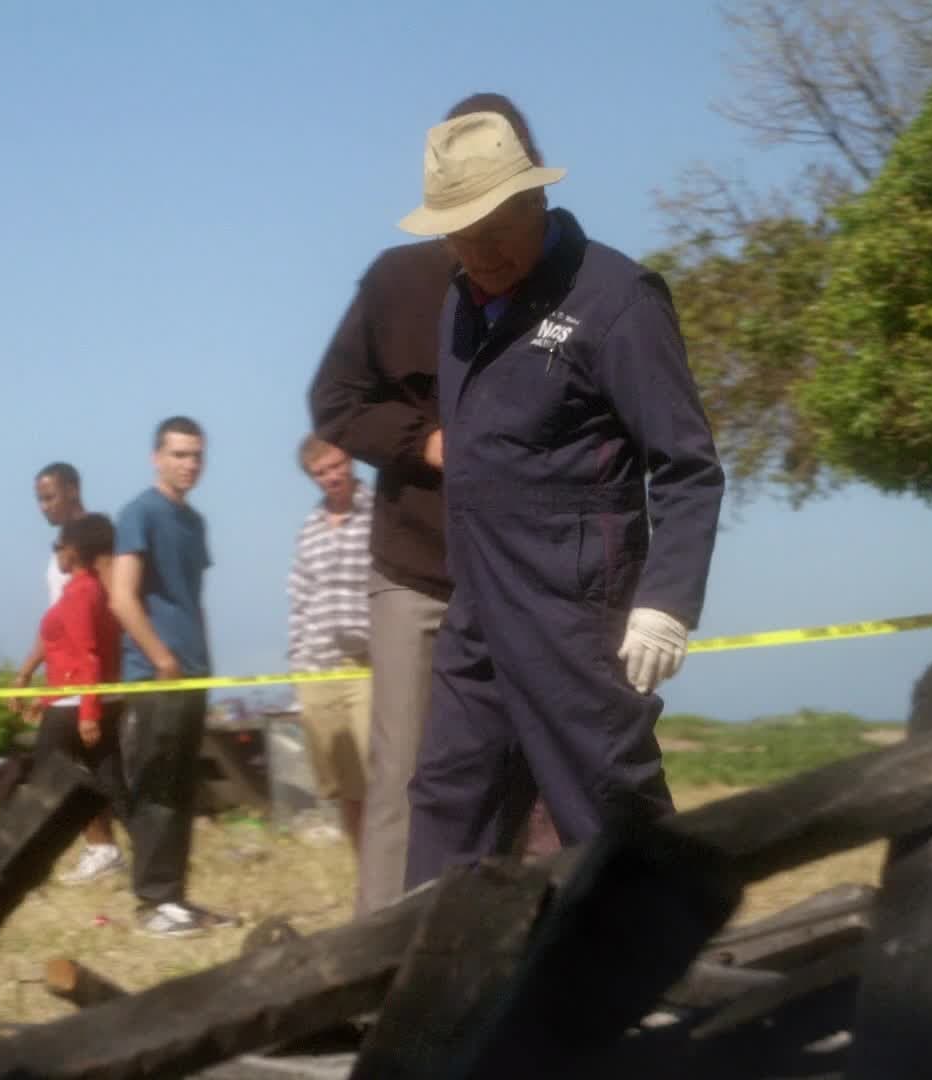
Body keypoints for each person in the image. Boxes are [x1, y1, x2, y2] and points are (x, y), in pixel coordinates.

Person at [395, 110, 726, 891]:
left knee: (606, 806)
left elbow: (687, 464)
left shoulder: (617, 300)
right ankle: (436, 966)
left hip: (574, 610)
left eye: (492, 230)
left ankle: (665, 955)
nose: (479, 253)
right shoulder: (459, 305)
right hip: (478, 603)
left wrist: (666, 602)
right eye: (459, 237)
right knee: (450, 801)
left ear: (534, 201)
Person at [308, 92, 559, 916]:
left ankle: (495, 951)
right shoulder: (397, 281)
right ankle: (377, 963)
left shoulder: (584, 291)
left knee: (521, 775)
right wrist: (428, 443)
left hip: (531, 578)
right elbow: (334, 401)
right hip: (418, 569)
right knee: (404, 780)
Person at [108, 417, 238, 937]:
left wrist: (200, 659)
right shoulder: (138, 513)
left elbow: (191, 598)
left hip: (192, 673)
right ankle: (152, 903)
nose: (190, 464)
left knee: (182, 790)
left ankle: (175, 899)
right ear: (156, 457)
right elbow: (122, 597)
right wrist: (161, 657)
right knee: (156, 788)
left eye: (196, 455)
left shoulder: (194, 522)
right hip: (154, 675)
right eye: (180, 454)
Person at [286, 435, 374, 851]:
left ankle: (397, 870)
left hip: (368, 663)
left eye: (337, 466)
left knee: (382, 774)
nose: (332, 476)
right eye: (321, 472)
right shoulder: (309, 527)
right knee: (345, 785)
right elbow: (300, 598)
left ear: (350, 460)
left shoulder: (380, 513)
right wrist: (298, 664)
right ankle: (366, 873)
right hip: (317, 665)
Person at [34, 514, 127, 883]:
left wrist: (88, 711)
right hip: (73, 699)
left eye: (57, 546)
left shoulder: (80, 593)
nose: (55, 553)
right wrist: (43, 696)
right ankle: (131, 852)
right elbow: (69, 656)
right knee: (112, 784)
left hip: (74, 705)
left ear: (73, 551)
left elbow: (89, 656)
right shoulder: (91, 590)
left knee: (47, 782)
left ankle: (36, 862)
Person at [12, 462, 84, 703]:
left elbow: (71, 617)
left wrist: (26, 673)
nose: (44, 507)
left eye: (50, 498)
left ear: (72, 491)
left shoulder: (93, 541)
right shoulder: (63, 544)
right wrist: (28, 674)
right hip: (62, 682)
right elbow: (56, 619)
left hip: (84, 689)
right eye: (40, 500)